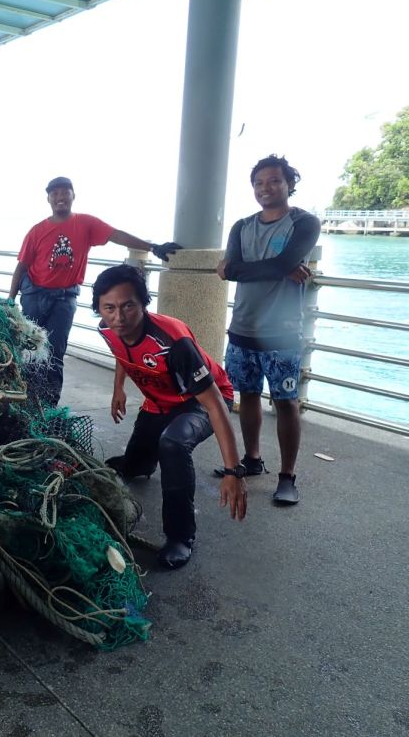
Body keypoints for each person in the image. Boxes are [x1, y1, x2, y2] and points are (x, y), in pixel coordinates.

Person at [93, 265, 247, 569]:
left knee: (173, 444)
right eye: (109, 308)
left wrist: (233, 472)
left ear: (144, 303)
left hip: (198, 401)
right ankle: (142, 461)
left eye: (128, 307)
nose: (119, 318)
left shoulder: (173, 342)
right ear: (99, 307)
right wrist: (118, 389)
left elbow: (216, 403)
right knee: (134, 465)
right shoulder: (107, 327)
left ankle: (180, 537)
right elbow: (123, 352)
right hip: (159, 402)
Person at [8, 176, 181, 407]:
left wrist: (153, 247)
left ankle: (48, 408)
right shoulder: (37, 231)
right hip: (34, 296)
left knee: (55, 352)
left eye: (64, 192)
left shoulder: (86, 224)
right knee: (29, 351)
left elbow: (117, 235)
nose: (60, 197)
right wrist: (10, 300)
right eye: (55, 193)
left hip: (64, 298)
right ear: (48, 199)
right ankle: (25, 402)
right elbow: (22, 265)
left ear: (73, 196)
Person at [216, 155, 321, 505]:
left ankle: (288, 476)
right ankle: (252, 459)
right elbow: (231, 270)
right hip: (243, 326)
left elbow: (240, 268)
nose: (266, 188)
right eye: (259, 182)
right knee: (246, 395)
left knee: (286, 402)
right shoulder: (242, 226)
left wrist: (271, 266)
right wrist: (278, 268)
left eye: (274, 181)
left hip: (283, 332)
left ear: (289, 183)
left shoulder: (304, 223)